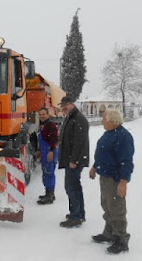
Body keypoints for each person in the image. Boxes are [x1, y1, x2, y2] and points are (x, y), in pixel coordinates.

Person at [89, 110, 134, 254]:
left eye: (103, 118)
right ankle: (109, 233)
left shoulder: (123, 136)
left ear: (112, 120)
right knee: (107, 206)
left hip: (115, 178)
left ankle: (121, 240)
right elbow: (102, 153)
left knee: (116, 208)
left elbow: (127, 161)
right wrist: (95, 166)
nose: (102, 121)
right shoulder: (108, 133)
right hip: (105, 176)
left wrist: (123, 182)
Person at [58, 96, 89, 228]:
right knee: (75, 187)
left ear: (72, 104)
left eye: (66, 105)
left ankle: (75, 216)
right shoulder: (70, 117)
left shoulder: (78, 118)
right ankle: (78, 213)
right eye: (62, 105)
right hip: (71, 159)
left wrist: (74, 160)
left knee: (71, 187)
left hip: (74, 160)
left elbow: (79, 142)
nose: (63, 108)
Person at [36, 107, 59, 205]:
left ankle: (50, 195)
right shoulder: (43, 125)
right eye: (40, 114)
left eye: (43, 114)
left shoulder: (50, 125)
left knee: (49, 173)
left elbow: (54, 139)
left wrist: (51, 151)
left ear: (48, 115)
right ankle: (48, 193)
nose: (42, 116)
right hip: (44, 152)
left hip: (49, 152)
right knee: (45, 172)